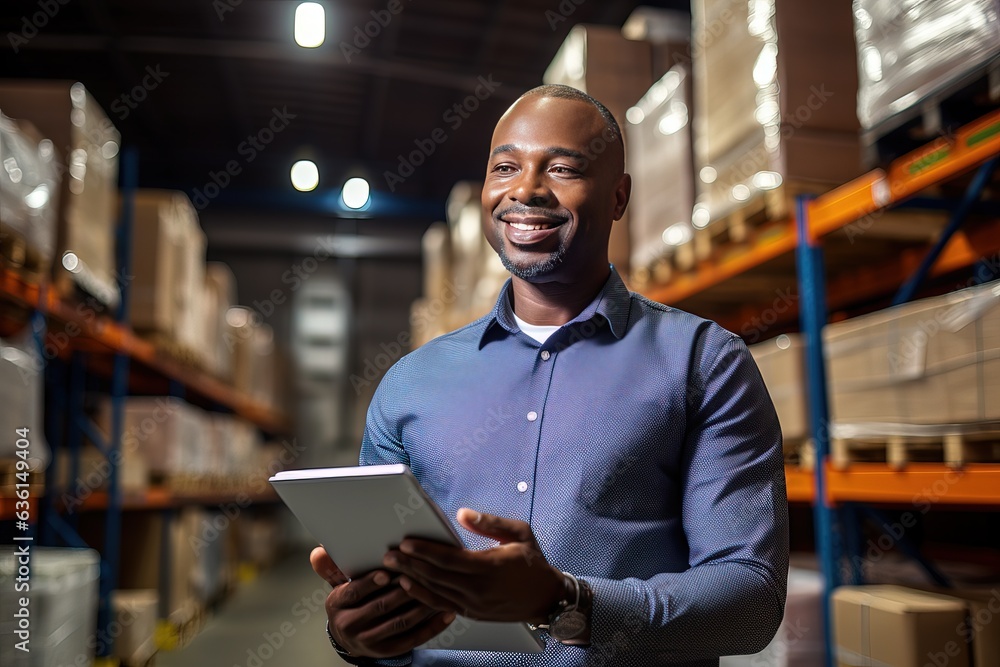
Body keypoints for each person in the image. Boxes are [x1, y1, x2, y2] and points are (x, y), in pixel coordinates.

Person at [310, 84, 789, 667]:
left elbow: (751, 601)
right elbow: (383, 587)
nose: (525, 190)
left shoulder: (704, 363)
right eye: (505, 167)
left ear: (619, 197)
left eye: (562, 168)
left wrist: (568, 601)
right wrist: (354, 637)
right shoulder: (410, 384)